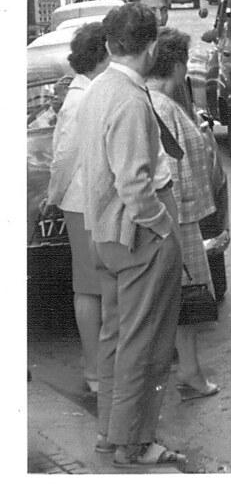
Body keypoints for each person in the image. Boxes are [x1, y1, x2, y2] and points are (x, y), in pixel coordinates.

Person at [77, 3, 186, 468]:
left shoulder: (98, 90)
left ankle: (110, 434)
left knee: (117, 338)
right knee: (147, 345)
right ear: (152, 46)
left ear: (107, 45)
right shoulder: (128, 99)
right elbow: (135, 184)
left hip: (104, 232)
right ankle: (135, 444)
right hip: (139, 234)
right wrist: (164, 228)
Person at [146, 27, 223, 402]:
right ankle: (189, 373)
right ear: (175, 65)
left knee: (180, 301)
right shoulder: (162, 107)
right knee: (188, 299)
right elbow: (171, 172)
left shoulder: (160, 103)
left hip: (179, 215)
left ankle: (187, 370)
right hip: (178, 217)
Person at [43, 23, 110, 394]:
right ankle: (94, 369)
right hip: (83, 202)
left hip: (92, 201)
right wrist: (52, 196)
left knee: (96, 286)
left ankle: (101, 367)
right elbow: (64, 157)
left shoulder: (90, 93)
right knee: (88, 288)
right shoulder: (80, 99)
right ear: (101, 54)